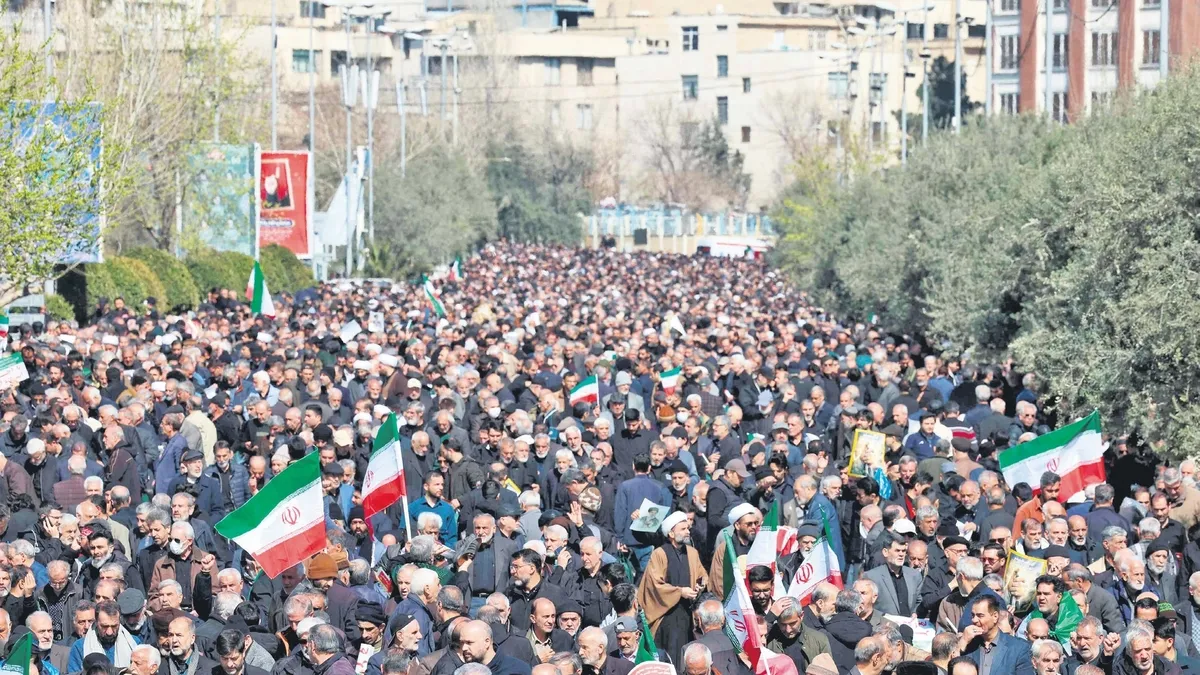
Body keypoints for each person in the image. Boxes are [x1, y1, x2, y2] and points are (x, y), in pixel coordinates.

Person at [636, 511, 707, 666]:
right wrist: (680, 591)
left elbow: (702, 575)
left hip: (687, 615)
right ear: (671, 534)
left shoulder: (692, 553)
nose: (688, 531)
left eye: (688, 528)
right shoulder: (659, 554)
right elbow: (654, 585)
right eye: (683, 529)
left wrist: (700, 585)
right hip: (665, 617)